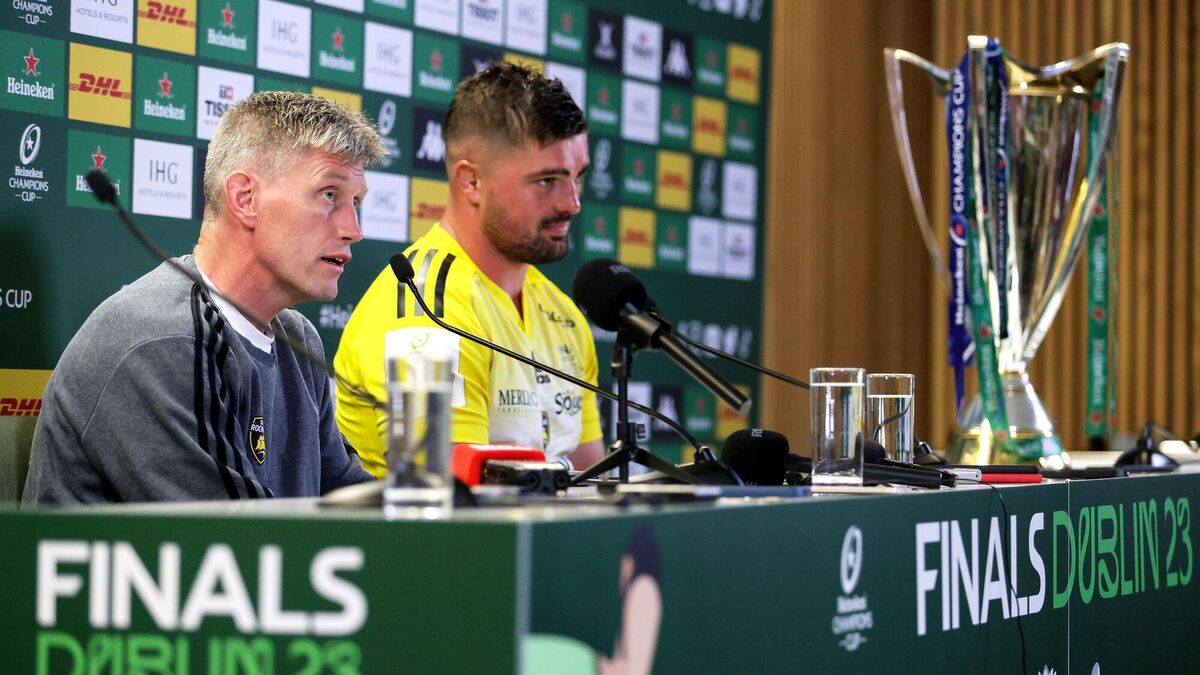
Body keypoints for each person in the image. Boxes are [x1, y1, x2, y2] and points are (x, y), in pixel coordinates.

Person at [23, 91, 385, 504]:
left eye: (356, 203)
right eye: (329, 195)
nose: (354, 230)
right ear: (245, 199)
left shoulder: (296, 339)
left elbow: (352, 499)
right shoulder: (162, 340)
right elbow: (235, 536)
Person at [335, 61, 604, 477]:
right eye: (548, 180)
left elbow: (596, 481)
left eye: (577, 177)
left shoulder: (562, 313)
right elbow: (443, 495)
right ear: (471, 182)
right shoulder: (425, 308)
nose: (572, 203)